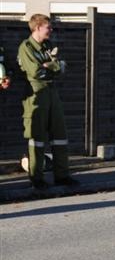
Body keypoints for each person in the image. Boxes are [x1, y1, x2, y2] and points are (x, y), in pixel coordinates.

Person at [17, 14, 78, 189]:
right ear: (37, 27)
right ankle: (37, 178)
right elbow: (35, 72)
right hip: (36, 94)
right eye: (48, 27)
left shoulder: (48, 46)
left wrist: (50, 66)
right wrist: (51, 68)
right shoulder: (26, 47)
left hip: (52, 92)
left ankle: (62, 175)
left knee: (60, 135)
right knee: (37, 137)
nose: (51, 30)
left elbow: (61, 67)